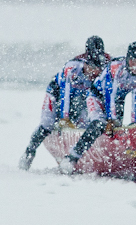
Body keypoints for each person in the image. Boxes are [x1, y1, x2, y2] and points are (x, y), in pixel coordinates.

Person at [58, 42, 136, 174]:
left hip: (117, 101)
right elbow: (111, 94)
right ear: (128, 59)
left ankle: (119, 160)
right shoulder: (116, 68)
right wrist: (111, 119)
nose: (135, 66)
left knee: (116, 130)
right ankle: (72, 157)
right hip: (97, 97)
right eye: (133, 61)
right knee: (99, 124)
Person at [19, 40, 108, 170]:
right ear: (86, 63)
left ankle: (78, 154)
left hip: (80, 97)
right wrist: (64, 117)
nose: (94, 73)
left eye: (97, 69)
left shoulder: (104, 65)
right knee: (47, 124)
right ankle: (29, 152)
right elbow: (65, 94)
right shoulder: (72, 68)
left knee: (85, 126)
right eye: (92, 68)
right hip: (56, 94)